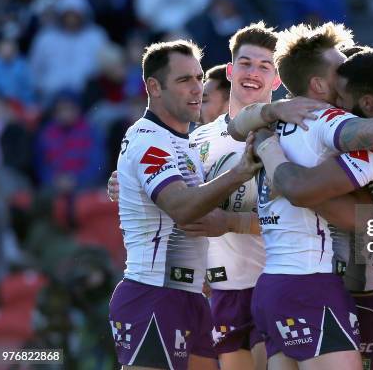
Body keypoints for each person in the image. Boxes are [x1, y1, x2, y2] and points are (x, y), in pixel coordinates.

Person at [227, 22, 373, 370]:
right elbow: (371, 131)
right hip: (310, 284)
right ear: (317, 85)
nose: (346, 71)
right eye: (338, 68)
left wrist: (266, 116)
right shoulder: (321, 118)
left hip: (271, 286)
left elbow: (235, 125)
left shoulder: (278, 117)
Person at [108, 23, 325, 370]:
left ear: (277, 80)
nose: (252, 73)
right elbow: (178, 199)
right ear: (229, 70)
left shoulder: (296, 136)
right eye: (245, 63)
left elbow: (310, 217)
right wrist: (127, 182)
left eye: (264, 66)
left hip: (274, 285)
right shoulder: (199, 140)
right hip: (213, 294)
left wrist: (232, 222)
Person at [108, 39, 261, 370]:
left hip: (190, 296)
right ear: (154, 87)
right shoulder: (150, 140)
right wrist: (240, 173)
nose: (197, 89)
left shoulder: (183, 142)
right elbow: (182, 207)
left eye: (199, 77)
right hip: (153, 294)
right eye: (184, 80)